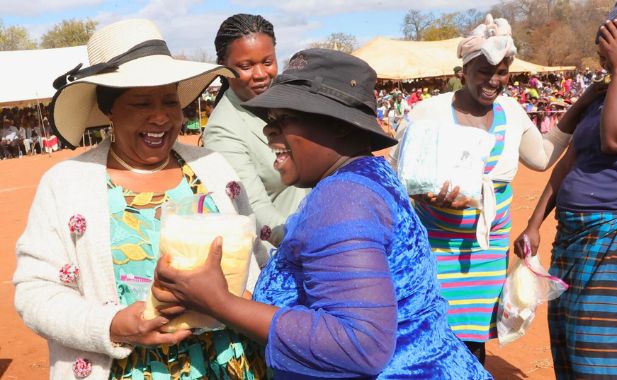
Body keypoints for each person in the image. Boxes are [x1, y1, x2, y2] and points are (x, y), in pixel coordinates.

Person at [153, 48, 492, 379]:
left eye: (285, 119)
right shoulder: (366, 177)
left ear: (341, 125)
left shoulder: (344, 197)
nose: (269, 131)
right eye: (270, 121)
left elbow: (360, 345)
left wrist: (219, 304)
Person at [13, 19, 267, 379]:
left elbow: (255, 258)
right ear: (109, 111)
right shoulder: (66, 185)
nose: (161, 116)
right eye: (141, 103)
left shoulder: (213, 168)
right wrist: (113, 325)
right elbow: (34, 292)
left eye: (169, 100)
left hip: (230, 365)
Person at [388, 14, 576, 364]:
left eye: (501, 72)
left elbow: (542, 157)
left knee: (474, 343)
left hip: (486, 252)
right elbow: (400, 174)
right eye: (483, 71)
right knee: (431, 335)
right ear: (463, 70)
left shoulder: (512, 111)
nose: (493, 81)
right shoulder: (428, 113)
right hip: (435, 248)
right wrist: (420, 195)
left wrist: (580, 110)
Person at [514, 1, 617, 378]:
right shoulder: (606, 98)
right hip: (572, 238)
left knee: (603, 361)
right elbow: (570, 160)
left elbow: (616, 138)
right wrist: (535, 223)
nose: (603, 60)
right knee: (569, 351)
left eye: (609, 50)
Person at [203, 14, 307, 270]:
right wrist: (311, 242)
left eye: (267, 62)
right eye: (246, 66)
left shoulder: (289, 102)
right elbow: (255, 209)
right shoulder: (222, 130)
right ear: (224, 68)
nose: (261, 74)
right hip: (285, 258)